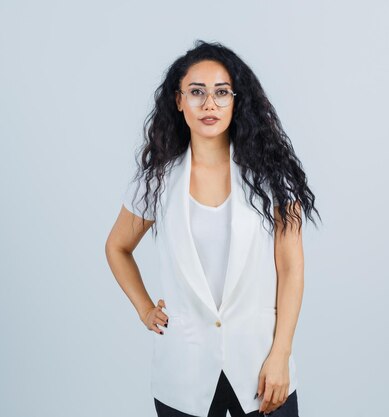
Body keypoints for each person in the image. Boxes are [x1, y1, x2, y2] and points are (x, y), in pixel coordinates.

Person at [105, 40, 320, 417]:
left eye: (221, 93)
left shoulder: (273, 178)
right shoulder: (155, 182)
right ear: (178, 101)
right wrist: (144, 308)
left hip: (261, 367)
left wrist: (281, 353)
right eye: (197, 92)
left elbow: (291, 268)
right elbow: (117, 247)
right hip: (183, 375)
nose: (209, 105)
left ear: (237, 100)